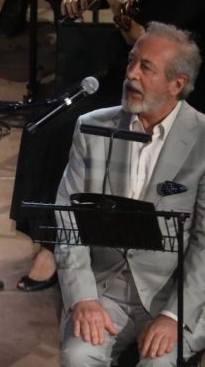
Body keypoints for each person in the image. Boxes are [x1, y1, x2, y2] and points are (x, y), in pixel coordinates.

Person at [13, 0, 205, 292]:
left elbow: (158, 57)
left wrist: (122, 16)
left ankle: (53, 249)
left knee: (69, 130)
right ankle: (49, 234)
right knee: (45, 122)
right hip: (127, 77)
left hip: (163, 91)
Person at [56, 21, 205, 366]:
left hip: (174, 295)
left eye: (146, 68)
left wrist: (173, 316)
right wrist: (83, 298)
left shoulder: (202, 139)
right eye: (131, 62)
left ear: (176, 84)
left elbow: (204, 242)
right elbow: (68, 219)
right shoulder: (93, 127)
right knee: (78, 356)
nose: (131, 74)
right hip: (104, 289)